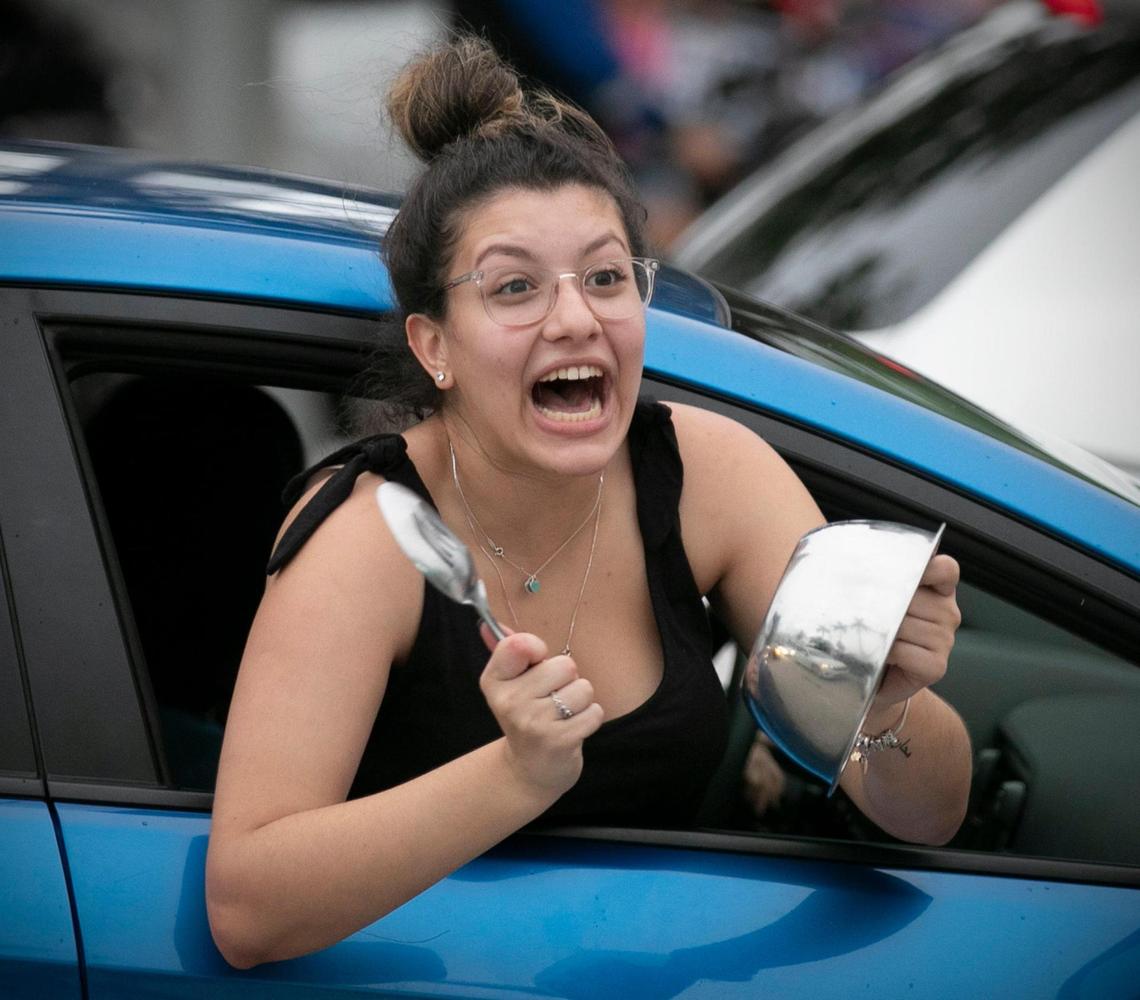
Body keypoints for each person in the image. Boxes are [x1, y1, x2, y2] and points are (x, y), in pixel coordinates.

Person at [205, 35, 971, 969]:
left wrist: (884, 705)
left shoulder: (710, 474)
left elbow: (932, 817)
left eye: (607, 277)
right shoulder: (367, 533)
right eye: (515, 288)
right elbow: (245, 912)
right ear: (434, 345)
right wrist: (513, 775)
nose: (576, 319)